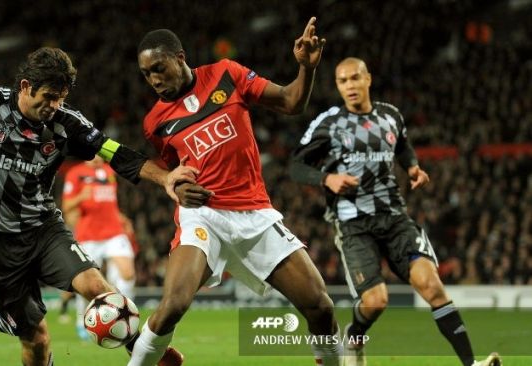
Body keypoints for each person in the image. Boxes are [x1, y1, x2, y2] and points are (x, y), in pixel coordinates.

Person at [0, 29, 209, 366]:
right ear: (25, 87)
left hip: (43, 231)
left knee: (100, 289)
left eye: (61, 98)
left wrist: (165, 177)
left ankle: (144, 350)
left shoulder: (67, 124)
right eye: (49, 97)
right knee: (37, 339)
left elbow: (115, 153)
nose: (55, 106)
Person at [127, 17, 343, 366]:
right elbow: (174, 171)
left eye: (159, 68)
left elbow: (291, 102)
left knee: (320, 305)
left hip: (253, 213)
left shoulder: (226, 74)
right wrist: (179, 187)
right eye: (146, 74)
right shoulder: (155, 122)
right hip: (204, 217)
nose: (154, 80)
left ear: (180, 57)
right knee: (173, 306)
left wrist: (306, 69)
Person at [290, 57, 502, 366]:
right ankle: (355, 336)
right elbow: (296, 165)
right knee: (376, 302)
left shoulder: (391, 115)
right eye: (342, 81)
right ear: (337, 86)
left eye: (354, 78)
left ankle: (472, 364)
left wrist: (413, 167)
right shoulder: (330, 122)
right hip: (354, 224)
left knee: (432, 286)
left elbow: (402, 145)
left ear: (368, 79)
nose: (349, 86)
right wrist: (327, 178)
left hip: (395, 218)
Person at [60, 155, 138, 340]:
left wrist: (121, 218)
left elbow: (110, 203)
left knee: (128, 273)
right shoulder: (75, 173)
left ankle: (123, 316)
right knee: (86, 281)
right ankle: (82, 322)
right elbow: (66, 205)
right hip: (89, 235)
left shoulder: (109, 172)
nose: (98, 156)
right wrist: (81, 196)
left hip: (114, 232)